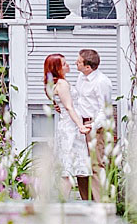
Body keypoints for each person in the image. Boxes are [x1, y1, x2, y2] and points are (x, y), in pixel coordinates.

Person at [43, 53, 91, 198]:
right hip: (71, 127)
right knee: (69, 167)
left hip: (65, 125)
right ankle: (62, 204)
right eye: (64, 64)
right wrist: (80, 126)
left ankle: (75, 201)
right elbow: (69, 107)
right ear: (57, 68)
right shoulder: (62, 84)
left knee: (72, 166)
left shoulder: (52, 84)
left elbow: (60, 105)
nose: (68, 65)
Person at [74, 49, 112, 202]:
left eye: (78, 62)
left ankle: (100, 206)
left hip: (94, 126)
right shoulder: (81, 77)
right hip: (79, 124)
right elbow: (78, 99)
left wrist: (93, 127)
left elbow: (105, 109)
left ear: (88, 67)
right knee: (81, 166)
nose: (75, 63)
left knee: (96, 166)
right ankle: (85, 204)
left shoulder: (102, 82)